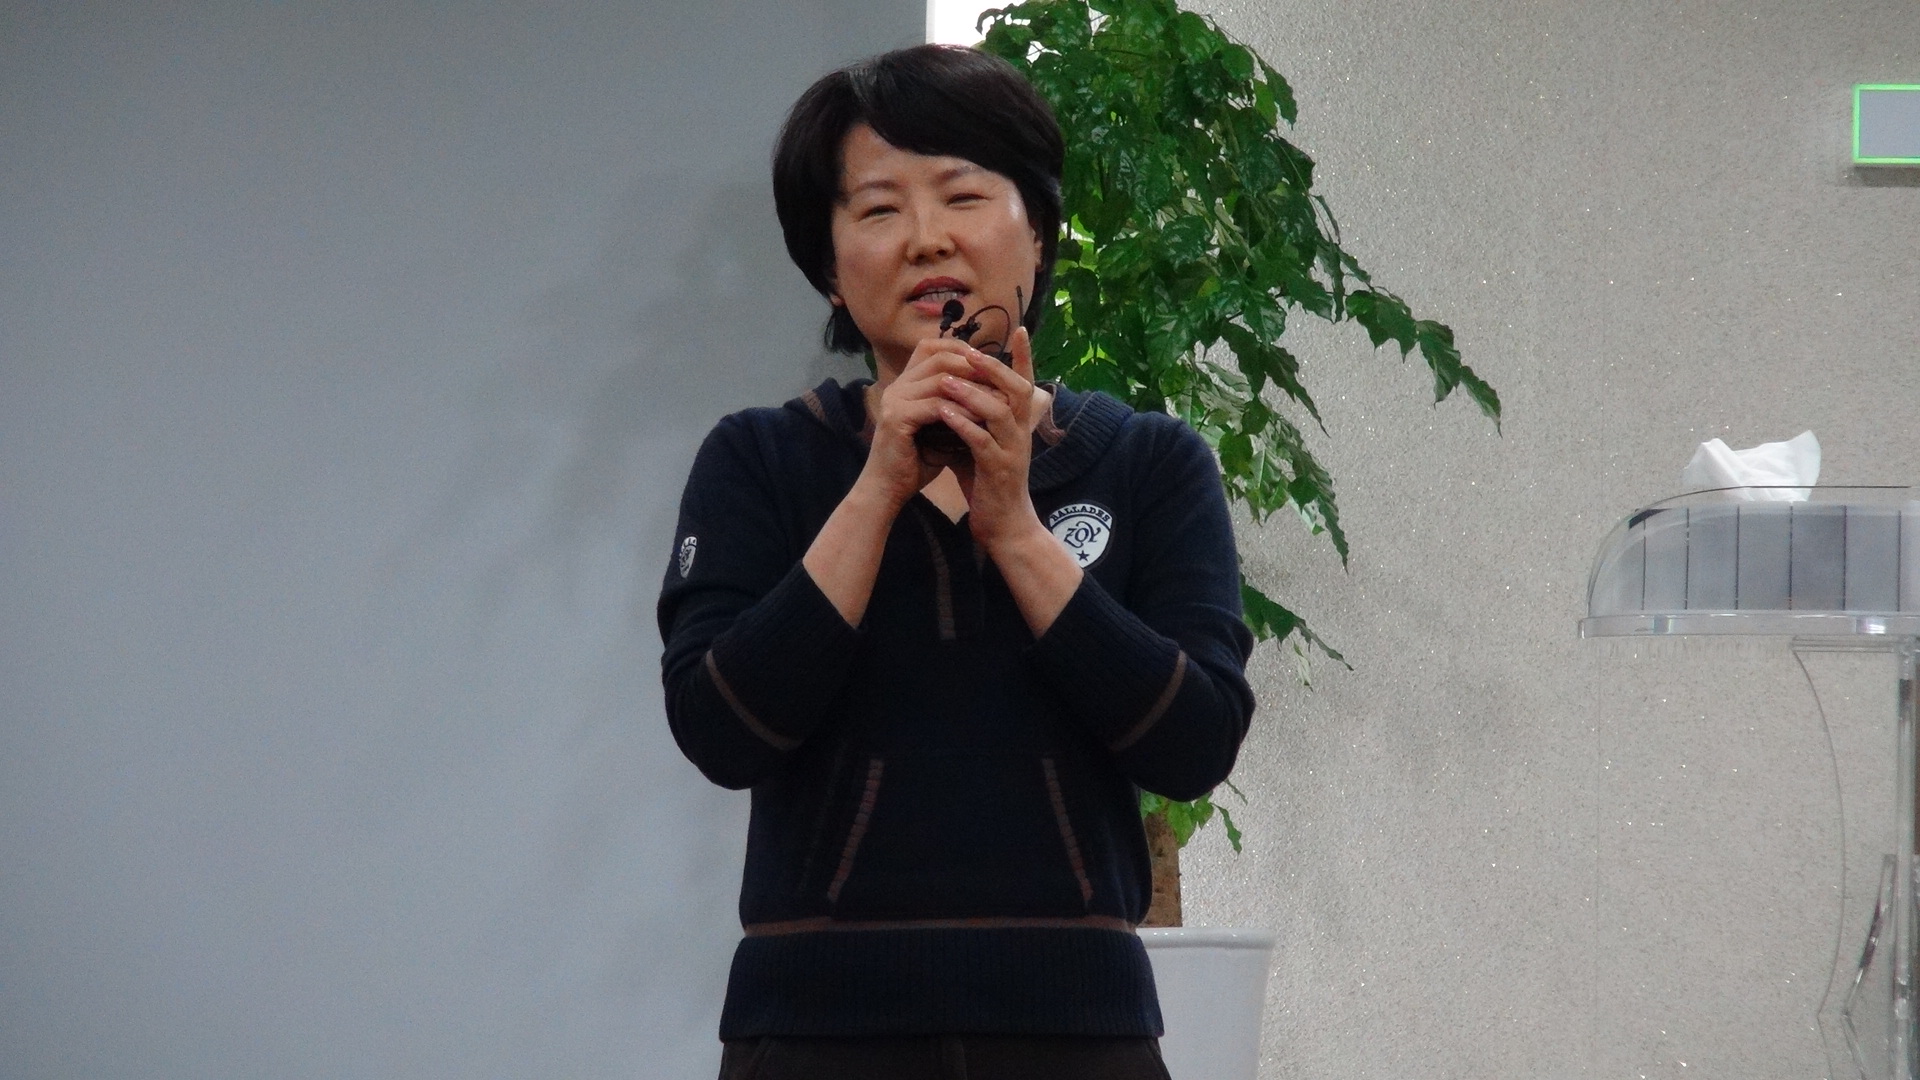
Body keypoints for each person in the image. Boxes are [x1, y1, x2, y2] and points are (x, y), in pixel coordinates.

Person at [657, 43, 1255, 1080]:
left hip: (1081, 1032)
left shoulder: (1150, 463)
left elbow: (1194, 743)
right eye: (879, 208)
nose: (927, 237)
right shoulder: (759, 460)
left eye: (963, 195)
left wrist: (1016, 530)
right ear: (827, 266)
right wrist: (878, 487)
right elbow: (723, 729)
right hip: (812, 1034)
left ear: (1039, 231)